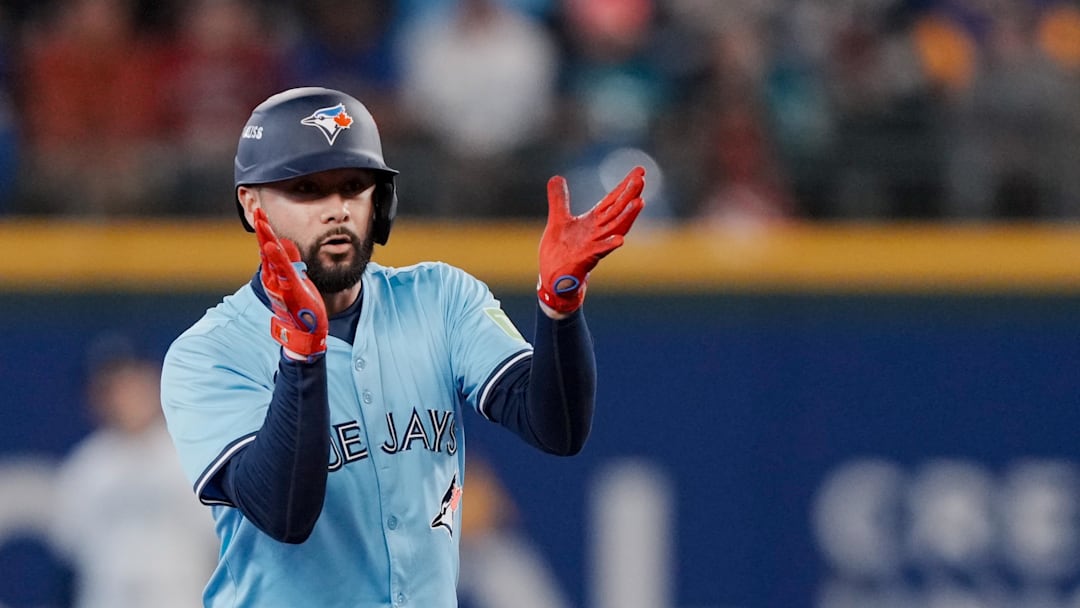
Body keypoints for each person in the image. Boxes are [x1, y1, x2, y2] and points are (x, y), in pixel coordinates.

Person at [159, 86, 645, 607]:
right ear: (253, 205)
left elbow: (557, 428)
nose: (337, 210)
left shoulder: (438, 297)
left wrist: (559, 308)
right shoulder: (209, 354)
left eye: (352, 185)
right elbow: (283, 515)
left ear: (381, 200)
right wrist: (301, 356)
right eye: (306, 190)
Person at [51, 338, 217, 608]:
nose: (123, 397)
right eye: (111, 388)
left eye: (131, 384)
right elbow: (68, 561)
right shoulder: (85, 467)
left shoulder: (194, 455)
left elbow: (226, 550)